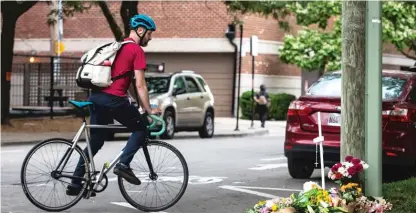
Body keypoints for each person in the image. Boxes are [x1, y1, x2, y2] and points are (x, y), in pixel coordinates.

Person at [66, 14, 161, 197]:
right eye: (149, 33)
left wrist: (139, 104)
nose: (150, 37)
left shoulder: (119, 47)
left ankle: (76, 183)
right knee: (141, 129)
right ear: (140, 31)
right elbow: (141, 84)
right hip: (113, 100)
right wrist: (149, 110)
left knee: (96, 140)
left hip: (97, 98)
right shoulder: (136, 50)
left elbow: (129, 84)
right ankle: (124, 165)